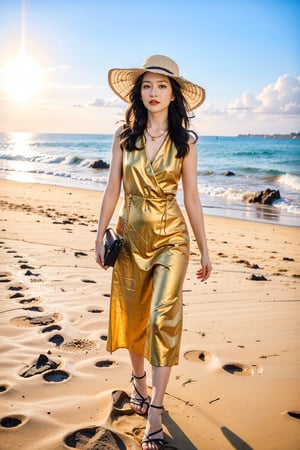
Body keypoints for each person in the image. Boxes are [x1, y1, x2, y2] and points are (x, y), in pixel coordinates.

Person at [95, 54, 212, 450]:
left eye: (162, 86)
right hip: (129, 239)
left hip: (172, 240)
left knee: (163, 318)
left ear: (174, 94)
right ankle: (140, 388)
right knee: (132, 317)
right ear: (138, 92)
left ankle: (156, 411)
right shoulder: (123, 137)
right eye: (147, 85)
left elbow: (192, 199)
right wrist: (99, 234)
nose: (154, 92)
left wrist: (204, 249)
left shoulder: (186, 143)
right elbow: (112, 188)